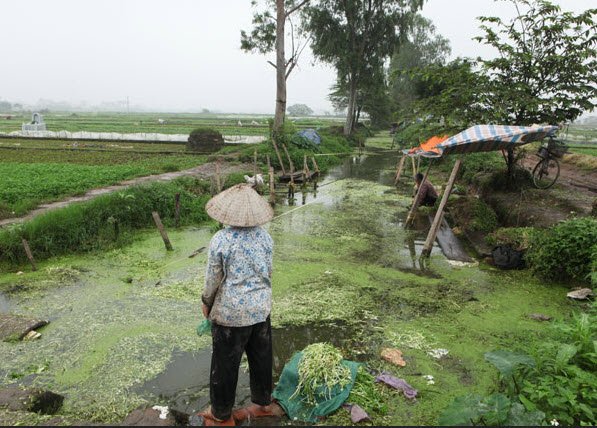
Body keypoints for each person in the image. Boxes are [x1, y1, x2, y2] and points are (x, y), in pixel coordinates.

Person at [197, 183, 283, 426]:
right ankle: (262, 405)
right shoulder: (266, 237)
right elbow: (268, 272)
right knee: (261, 358)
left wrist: (206, 303)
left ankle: (221, 416)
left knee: (225, 365)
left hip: (231, 314)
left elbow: (213, 279)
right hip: (260, 309)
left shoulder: (221, 239)